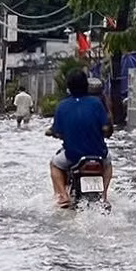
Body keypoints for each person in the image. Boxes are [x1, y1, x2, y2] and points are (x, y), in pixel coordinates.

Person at [47, 70, 113, 207]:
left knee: (54, 164)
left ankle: (63, 196)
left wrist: (54, 132)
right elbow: (106, 127)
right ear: (86, 85)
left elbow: (57, 131)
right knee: (108, 163)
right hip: (98, 154)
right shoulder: (96, 103)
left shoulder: (62, 106)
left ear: (68, 87)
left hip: (72, 156)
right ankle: (104, 195)